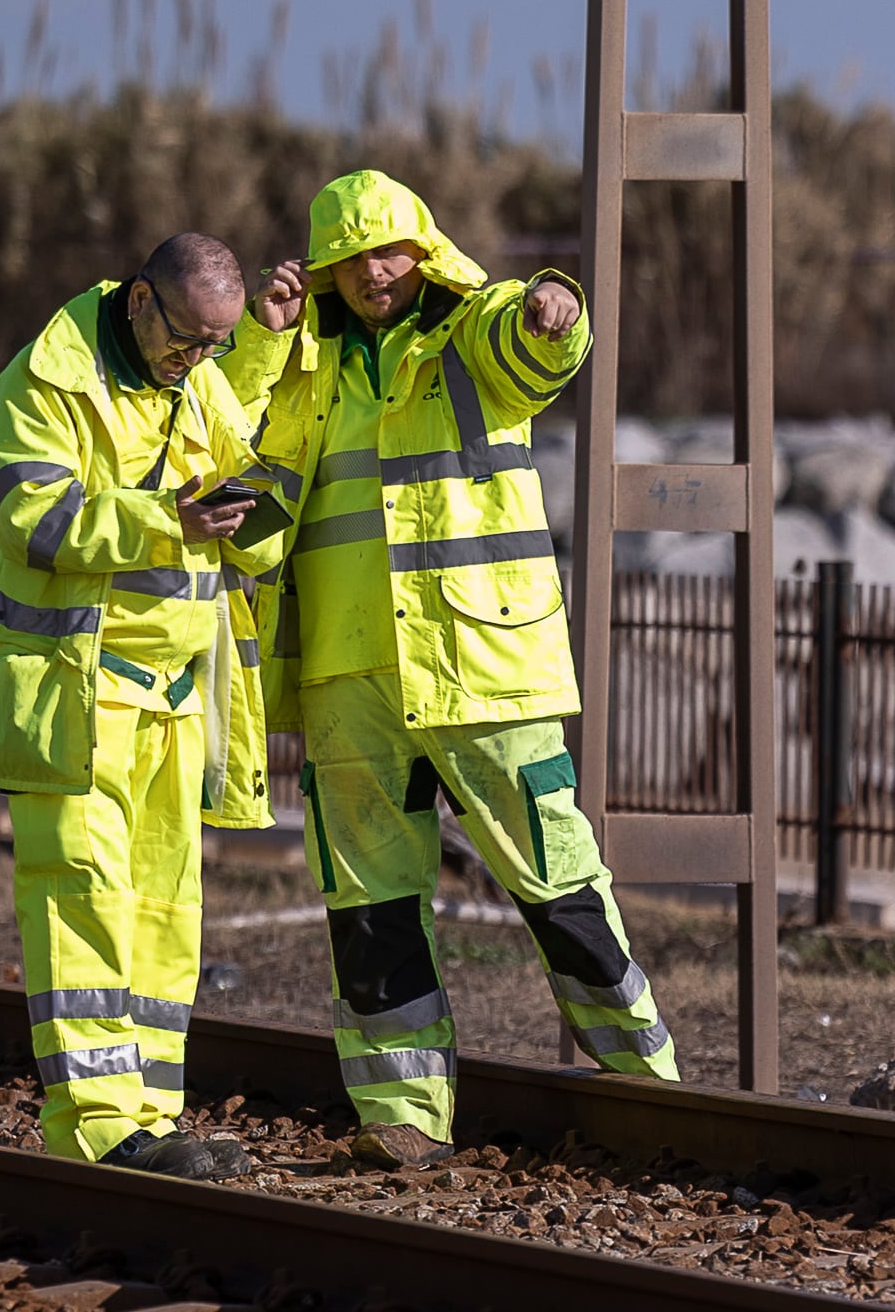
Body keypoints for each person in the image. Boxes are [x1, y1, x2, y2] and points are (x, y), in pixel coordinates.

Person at [238, 167, 671, 1171]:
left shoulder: (469, 338)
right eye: (351, 260)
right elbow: (235, 435)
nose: (374, 274)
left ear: (423, 251)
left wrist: (552, 309)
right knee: (370, 907)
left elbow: (530, 345)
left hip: (483, 663)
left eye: (390, 252)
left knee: (557, 881)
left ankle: (651, 1088)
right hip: (354, 677)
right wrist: (264, 333)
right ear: (327, 270)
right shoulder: (305, 367)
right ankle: (402, 1115)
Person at [0, 234, 299, 1176]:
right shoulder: (43, 385)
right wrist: (168, 520)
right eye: (188, 338)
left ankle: (151, 1116)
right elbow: (35, 519)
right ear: (140, 300)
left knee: (163, 911)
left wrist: (243, 494)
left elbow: (238, 458)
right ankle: (99, 1125)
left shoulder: (196, 375)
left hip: (174, 701)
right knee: (85, 901)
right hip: (75, 694)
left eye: (214, 346)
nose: (198, 360)